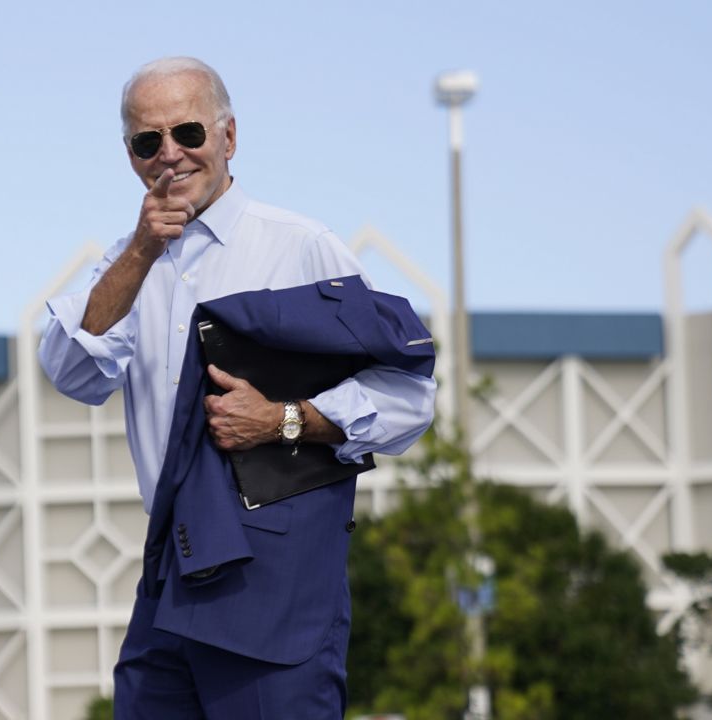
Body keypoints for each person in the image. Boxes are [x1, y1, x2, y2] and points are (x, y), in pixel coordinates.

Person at [38, 57, 436, 720]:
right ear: (130, 155)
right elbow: (73, 373)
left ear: (228, 137)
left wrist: (287, 419)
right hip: (172, 564)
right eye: (148, 141)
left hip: (275, 570)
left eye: (187, 133)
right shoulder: (128, 259)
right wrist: (140, 253)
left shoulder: (300, 246)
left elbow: (409, 397)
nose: (170, 155)